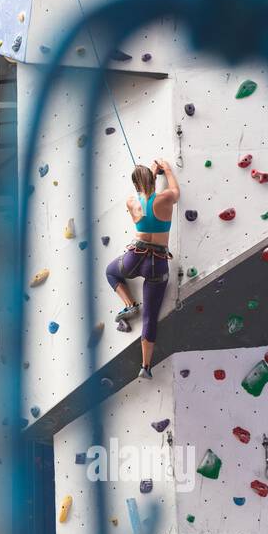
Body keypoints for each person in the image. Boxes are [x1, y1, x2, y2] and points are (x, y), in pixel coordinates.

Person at [106, 157, 179, 379]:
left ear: (136, 184)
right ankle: (145, 367)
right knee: (150, 316)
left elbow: (143, 196)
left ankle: (129, 304)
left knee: (111, 271)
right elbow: (176, 191)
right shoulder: (165, 199)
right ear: (153, 180)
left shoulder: (131, 201)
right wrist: (165, 170)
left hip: (133, 258)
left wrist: (148, 174)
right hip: (157, 263)